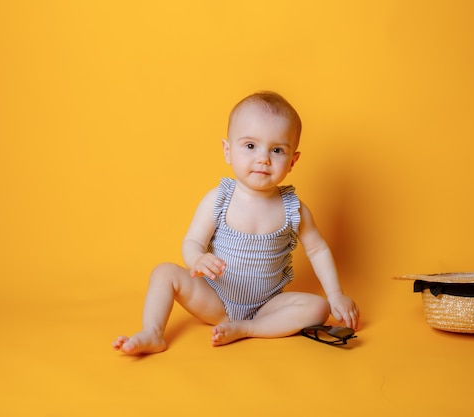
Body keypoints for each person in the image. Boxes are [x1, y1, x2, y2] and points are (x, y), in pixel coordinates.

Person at [112, 91, 360, 354]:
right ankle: (153, 332)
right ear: (228, 151)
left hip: (269, 304)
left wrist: (335, 295)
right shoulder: (219, 199)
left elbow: (318, 249)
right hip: (215, 298)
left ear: (292, 161)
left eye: (277, 150)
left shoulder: (293, 208)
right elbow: (193, 241)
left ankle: (248, 328)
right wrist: (196, 259)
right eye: (251, 146)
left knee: (318, 308)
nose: (263, 158)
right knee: (164, 272)